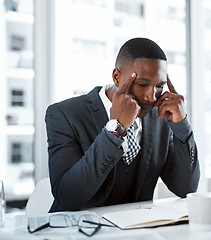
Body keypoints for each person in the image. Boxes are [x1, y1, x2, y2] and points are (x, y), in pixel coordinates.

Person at [45, 38, 200, 212]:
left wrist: (182, 126)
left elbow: (185, 188)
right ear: (117, 77)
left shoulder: (161, 116)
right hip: (76, 232)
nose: (151, 96)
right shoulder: (65, 115)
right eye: (142, 84)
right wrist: (116, 129)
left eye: (159, 86)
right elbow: (68, 197)